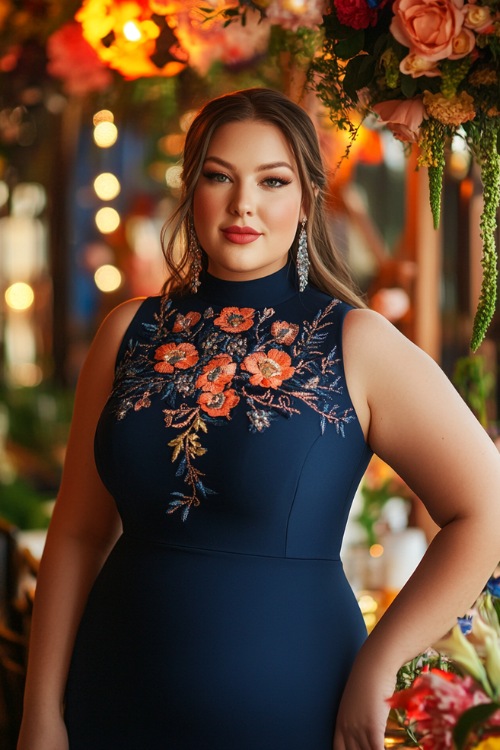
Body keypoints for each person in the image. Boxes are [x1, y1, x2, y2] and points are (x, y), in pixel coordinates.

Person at [18, 88, 500, 750]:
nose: (244, 203)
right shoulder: (127, 330)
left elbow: (488, 509)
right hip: (112, 697)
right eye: (219, 176)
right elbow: (74, 536)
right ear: (192, 191)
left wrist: (380, 664)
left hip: (294, 706)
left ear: (305, 200)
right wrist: (39, 712)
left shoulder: (356, 342)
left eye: (272, 181)